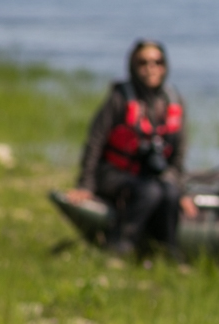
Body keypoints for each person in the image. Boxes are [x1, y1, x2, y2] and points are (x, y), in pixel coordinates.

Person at [71, 39, 194, 258]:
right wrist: (85, 185)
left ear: (165, 66)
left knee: (169, 192)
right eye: (143, 63)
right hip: (114, 173)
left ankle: (167, 252)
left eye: (157, 62)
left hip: (152, 175)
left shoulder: (174, 102)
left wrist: (181, 190)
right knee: (149, 191)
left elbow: (179, 156)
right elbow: (95, 142)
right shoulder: (119, 99)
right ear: (133, 66)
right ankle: (119, 246)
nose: (151, 68)